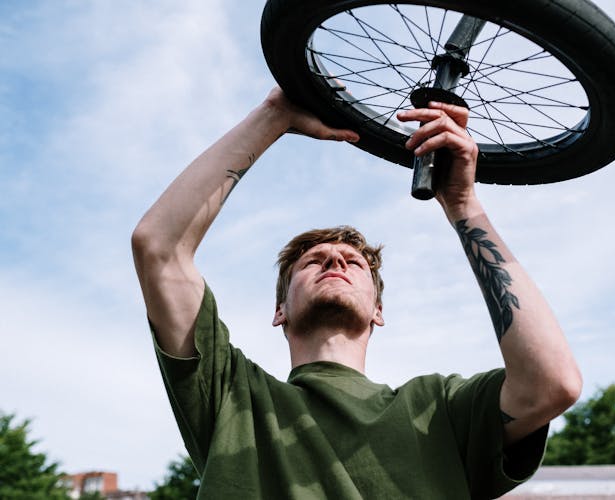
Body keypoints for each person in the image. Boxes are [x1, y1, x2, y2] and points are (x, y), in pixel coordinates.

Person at [132, 87, 582, 499]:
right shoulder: (233, 396)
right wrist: (276, 113)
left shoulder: (437, 409)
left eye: (354, 262)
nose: (335, 260)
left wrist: (463, 204)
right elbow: (158, 247)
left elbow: (553, 384)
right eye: (313, 261)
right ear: (279, 310)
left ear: (378, 312)